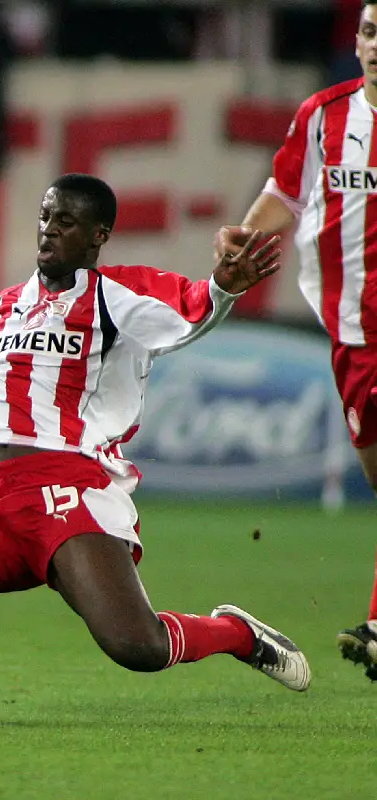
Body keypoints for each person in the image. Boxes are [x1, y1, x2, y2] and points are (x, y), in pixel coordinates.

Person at [0, 174, 310, 713]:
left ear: (98, 235)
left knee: (138, 647)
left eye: (66, 221)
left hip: (69, 491)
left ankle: (237, 635)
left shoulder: (118, 295)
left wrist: (224, 289)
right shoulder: (4, 307)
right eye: (45, 217)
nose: (50, 230)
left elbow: (190, 311)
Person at [217, 0, 377, 683]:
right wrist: (244, 236)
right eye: (369, 31)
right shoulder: (324, 116)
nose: (376, 45)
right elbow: (287, 192)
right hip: (351, 332)